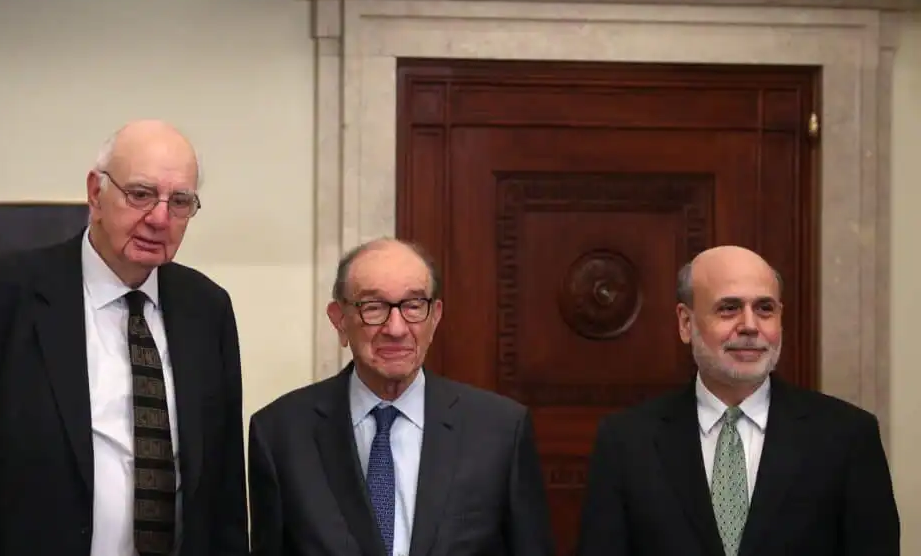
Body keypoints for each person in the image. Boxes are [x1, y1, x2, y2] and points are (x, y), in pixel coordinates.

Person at [0, 120, 249, 556]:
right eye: (140, 194)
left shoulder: (207, 308)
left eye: (179, 202)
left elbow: (225, 490)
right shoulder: (6, 293)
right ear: (95, 193)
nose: (159, 218)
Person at [575, 245, 899, 556]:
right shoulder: (626, 442)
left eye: (765, 309)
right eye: (729, 308)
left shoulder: (847, 437)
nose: (749, 326)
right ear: (686, 323)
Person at [247, 238, 555, 556]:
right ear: (339, 319)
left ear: (435, 316)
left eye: (412, 306)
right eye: (374, 307)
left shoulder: (499, 430)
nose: (396, 328)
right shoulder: (280, 434)